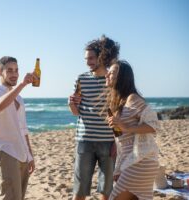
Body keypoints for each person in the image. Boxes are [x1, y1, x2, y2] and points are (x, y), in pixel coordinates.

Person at [68, 36, 120, 200]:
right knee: (80, 190)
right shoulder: (81, 79)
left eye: (91, 58)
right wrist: (70, 103)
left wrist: (117, 142)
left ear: (101, 57)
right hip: (84, 140)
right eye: (86, 59)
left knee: (106, 190)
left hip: (108, 141)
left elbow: (118, 111)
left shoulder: (112, 80)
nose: (88, 62)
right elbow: (76, 112)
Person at [0, 56, 35, 200]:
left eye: (17, 70)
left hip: (22, 154)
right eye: (10, 70)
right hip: (5, 152)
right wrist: (22, 84)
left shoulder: (19, 98)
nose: (15, 74)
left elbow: (22, 128)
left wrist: (29, 155)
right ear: (0, 72)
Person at [105, 60, 159, 200]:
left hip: (141, 161)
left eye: (111, 73)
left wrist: (127, 126)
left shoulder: (132, 99)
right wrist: (119, 168)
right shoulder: (120, 101)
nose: (107, 75)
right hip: (131, 160)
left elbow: (154, 125)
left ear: (122, 77)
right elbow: (123, 141)